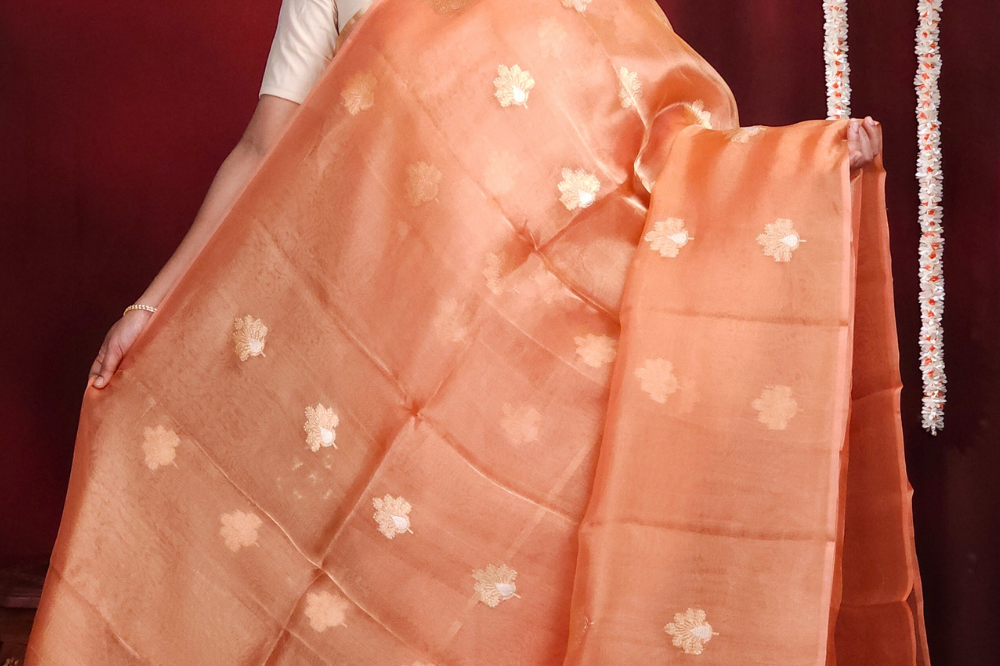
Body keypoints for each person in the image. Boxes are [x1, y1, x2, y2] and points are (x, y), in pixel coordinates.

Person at [28, 1, 927, 664]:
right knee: (360, 592)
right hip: (369, 351)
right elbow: (265, 149)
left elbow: (660, 149)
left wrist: (796, 170)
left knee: (500, 605)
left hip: (532, 373)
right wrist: (154, 303)